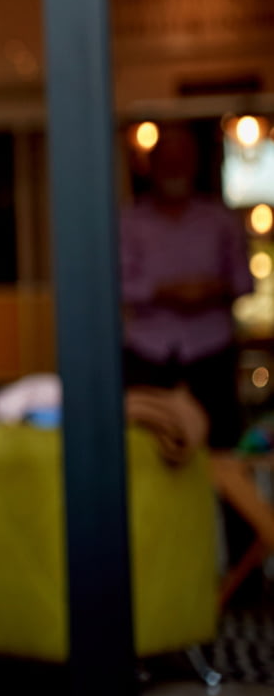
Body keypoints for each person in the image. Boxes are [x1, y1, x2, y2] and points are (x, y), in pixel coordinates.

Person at [120, 122, 254, 451]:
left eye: (182, 160)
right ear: (152, 166)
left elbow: (244, 282)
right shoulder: (129, 222)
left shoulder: (220, 221)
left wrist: (210, 290)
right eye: (167, 160)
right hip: (148, 350)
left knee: (220, 445)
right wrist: (165, 292)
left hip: (211, 349)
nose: (174, 168)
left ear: (194, 164)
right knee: (144, 444)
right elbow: (117, 286)